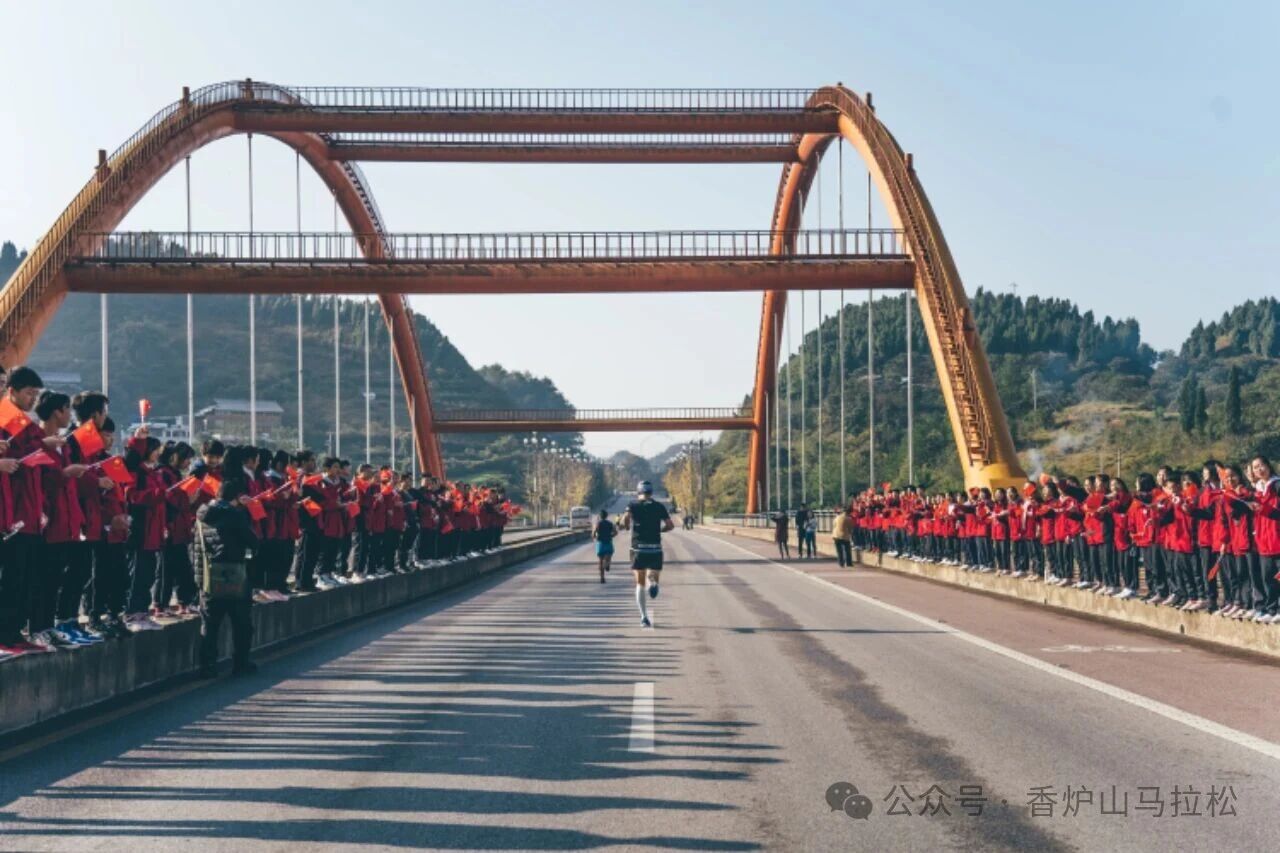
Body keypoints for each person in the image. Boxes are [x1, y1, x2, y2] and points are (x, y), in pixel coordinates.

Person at [195, 479, 259, 678]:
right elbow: (253, 541)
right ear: (237, 497)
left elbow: (195, 548)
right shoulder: (235, 515)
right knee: (242, 624)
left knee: (210, 624)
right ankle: (241, 663)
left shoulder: (201, 514)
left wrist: (199, 577)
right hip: (234, 575)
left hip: (208, 576)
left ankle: (207, 666)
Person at [620, 480, 673, 628]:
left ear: (639, 492)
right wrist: (660, 530)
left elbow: (625, 519)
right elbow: (670, 525)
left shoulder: (632, 505)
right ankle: (653, 582)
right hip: (655, 548)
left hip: (638, 548)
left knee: (640, 583)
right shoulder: (659, 506)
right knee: (653, 574)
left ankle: (644, 617)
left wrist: (626, 525)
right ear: (651, 492)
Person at [592, 509, 616, 582]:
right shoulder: (610, 523)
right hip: (608, 542)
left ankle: (602, 578)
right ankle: (607, 564)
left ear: (600, 516)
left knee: (600, 561)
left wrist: (595, 537)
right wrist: (611, 536)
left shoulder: (597, 524)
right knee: (609, 555)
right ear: (606, 516)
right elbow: (615, 532)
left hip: (600, 544)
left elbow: (593, 534)